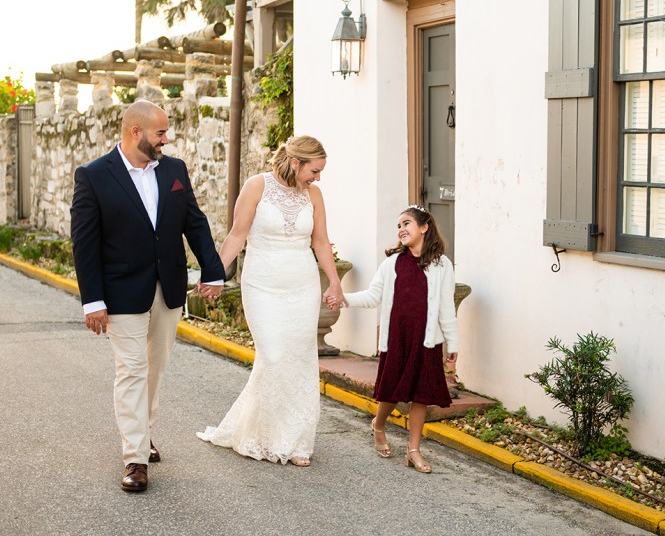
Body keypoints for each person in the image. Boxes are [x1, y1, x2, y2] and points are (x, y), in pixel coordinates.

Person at [70, 100, 226, 492]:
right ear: (135, 132)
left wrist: (213, 270)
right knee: (132, 370)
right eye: (160, 133)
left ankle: (143, 431)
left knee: (155, 368)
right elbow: (84, 244)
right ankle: (135, 458)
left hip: (168, 288)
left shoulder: (174, 170)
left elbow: (195, 223)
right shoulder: (93, 176)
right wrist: (93, 300)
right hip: (121, 291)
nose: (166, 139)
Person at [196, 135, 344, 467]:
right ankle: (264, 435)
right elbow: (237, 235)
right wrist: (214, 275)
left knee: (299, 358)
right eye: (314, 171)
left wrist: (334, 282)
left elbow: (321, 242)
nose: (318, 178)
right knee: (274, 355)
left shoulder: (314, 195)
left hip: (302, 285)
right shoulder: (256, 186)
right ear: (295, 163)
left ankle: (295, 441)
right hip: (262, 284)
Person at [339, 205, 458, 473]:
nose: (401, 229)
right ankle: (378, 425)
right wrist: (344, 299)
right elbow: (373, 296)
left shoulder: (442, 265)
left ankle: (413, 450)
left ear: (424, 227)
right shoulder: (392, 263)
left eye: (406, 223)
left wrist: (453, 343)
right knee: (391, 392)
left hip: (426, 340)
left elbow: (446, 308)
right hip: (397, 339)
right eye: (398, 226)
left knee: (420, 395)